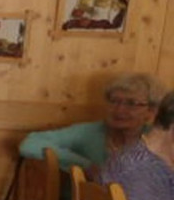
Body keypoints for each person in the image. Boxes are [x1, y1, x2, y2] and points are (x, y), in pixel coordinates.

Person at [19, 72, 163, 177]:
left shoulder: (158, 139)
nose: (119, 110)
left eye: (131, 103)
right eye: (114, 101)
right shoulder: (90, 132)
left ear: (151, 111)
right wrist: (85, 166)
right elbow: (30, 143)